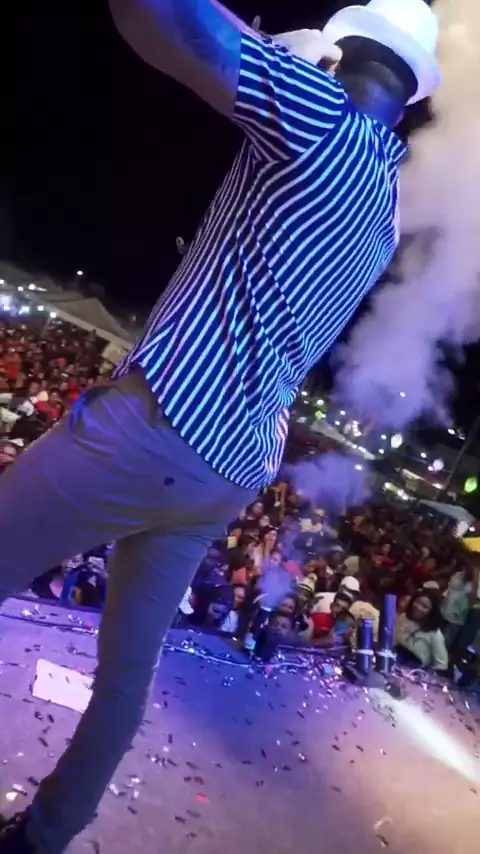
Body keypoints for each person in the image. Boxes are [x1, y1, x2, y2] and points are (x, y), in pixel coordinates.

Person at [0, 1, 440, 851]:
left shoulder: (320, 122)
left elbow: (163, 19)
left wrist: (278, 54)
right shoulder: (384, 208)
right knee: (124, 678)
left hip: (161, 424)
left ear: (348, 55)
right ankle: (43, 837)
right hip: (227, 470)